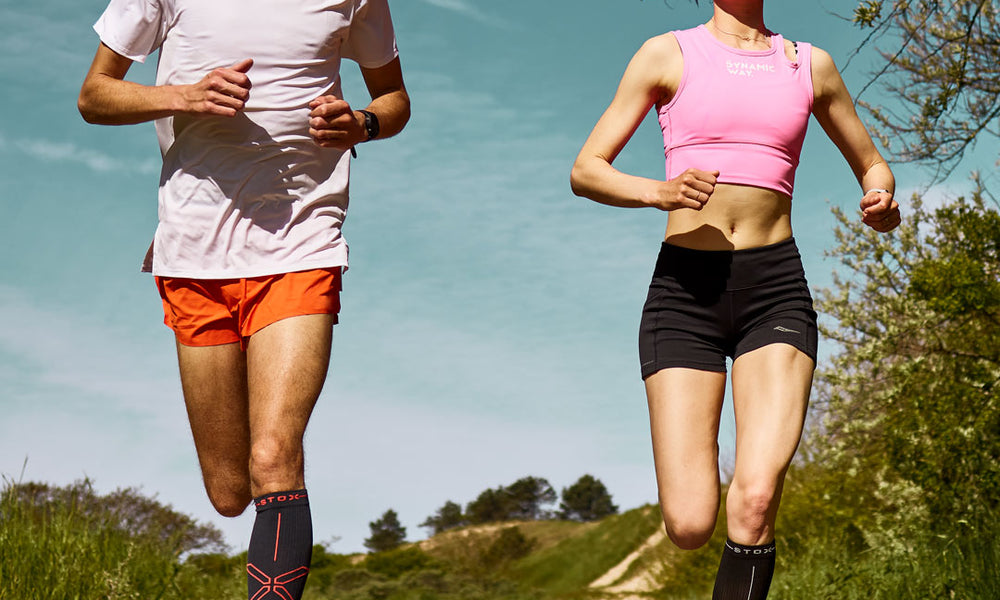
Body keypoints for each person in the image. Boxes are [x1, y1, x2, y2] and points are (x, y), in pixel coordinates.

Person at [78, 1, 409, 598]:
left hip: (303, 242)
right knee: (230, 490)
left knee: (274, 457)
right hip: (194, 251)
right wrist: (184, 95)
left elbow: (394, 98)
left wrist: (362, 124)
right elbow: (95, 97)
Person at [570, 1, 899, 598]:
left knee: (754, 498)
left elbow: (872, 163)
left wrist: (880, 197)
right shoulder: (667, 53)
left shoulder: (810, 66)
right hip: (684, 294)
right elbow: (587, 169)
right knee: (691, 523)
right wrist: (660, 191)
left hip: (774, 290)